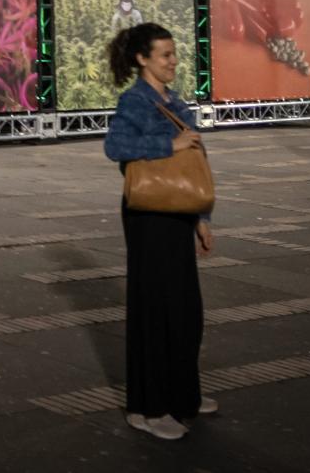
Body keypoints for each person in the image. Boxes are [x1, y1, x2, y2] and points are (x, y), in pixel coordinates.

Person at [102, 22, 216, 442]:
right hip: (148, 216)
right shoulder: (134, 101)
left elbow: (195, 166)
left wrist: (202, 218)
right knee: (154, 312)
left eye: (173, 53)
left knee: (185, 312)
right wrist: (169, 145)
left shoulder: (176, 102)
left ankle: (184, 393)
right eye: (165, 54)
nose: (173, 61)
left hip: (178, 213)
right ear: (142, 59)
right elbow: (115, 147)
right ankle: (148, 408)